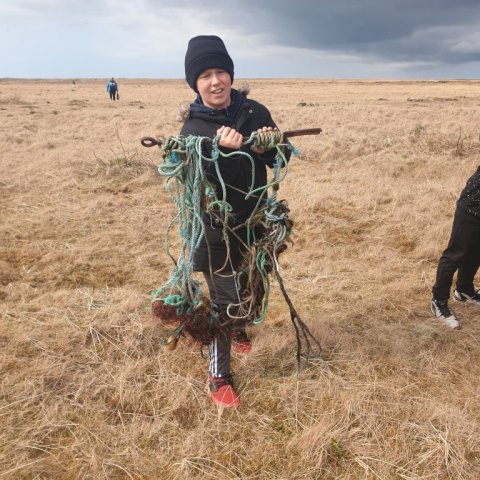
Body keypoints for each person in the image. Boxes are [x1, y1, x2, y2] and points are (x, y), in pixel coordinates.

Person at [180, 35, 291, 408]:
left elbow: (281, 159)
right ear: (195, 83)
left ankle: (240, 326)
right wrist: (217, 151)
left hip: (254, 224)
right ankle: (218, 374)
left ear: (230, 75)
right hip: (215, 231)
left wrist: (268, 146)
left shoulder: (255, 112)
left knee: (246, 285)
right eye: (205, 75)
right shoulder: (193, 130)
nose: (215, 81)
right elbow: (193, 182)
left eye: (221, 71)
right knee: (224, 304)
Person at [431, 166, 480, 329]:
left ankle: (464, 291)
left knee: (476, 251)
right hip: (472, 207)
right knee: (455, 255)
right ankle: (438, 301)